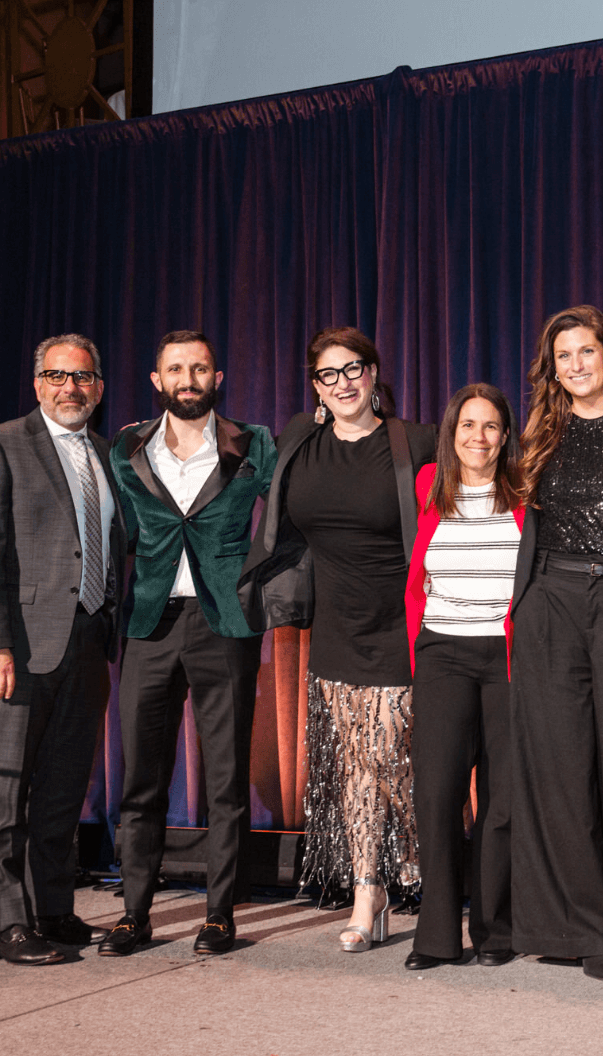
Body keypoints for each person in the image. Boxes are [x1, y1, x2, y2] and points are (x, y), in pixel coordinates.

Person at [237, 326, 435, 952]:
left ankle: (430, 869)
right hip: (336, 628)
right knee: (355, 765)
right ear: (315, 386)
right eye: (329, 374)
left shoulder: (416, 442)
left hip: (404, 622)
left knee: (396, 760)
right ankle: (368, 891)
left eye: (355, 368)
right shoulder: (300, 440)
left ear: (375, 375)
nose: (344, 382)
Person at [0, 334, 124, 964]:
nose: (69, 388)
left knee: (61, 788)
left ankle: (53, 907)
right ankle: (9, 923)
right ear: (36, 382)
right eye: (56, 375)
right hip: (13, 650)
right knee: (4, 786)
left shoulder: (106, 454)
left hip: (85, 642)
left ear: (98, 387)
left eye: (82, 378)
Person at [99, 331, 276, 957]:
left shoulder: (253, 443)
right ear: (157, 379)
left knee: (226, 780)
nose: (188, 378)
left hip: (223, 622)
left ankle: (220, 914)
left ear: (217, 377)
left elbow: (284, 521)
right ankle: (134, 914)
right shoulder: (125, 446)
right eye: (176, 368)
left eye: (199, 368)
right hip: (149, 623)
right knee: (140, 779)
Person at [510, 304, 603, 982]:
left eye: (586, 352)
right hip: (552, 600)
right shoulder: (543, 432)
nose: (576, 365)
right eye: (563, 355)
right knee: (562, 770)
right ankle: (583, 928)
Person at [402, 384, 528, 971]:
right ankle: (435, 936)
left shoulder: (525, 491)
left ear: (506, 436)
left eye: (491, 427)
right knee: (438, 794)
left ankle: (496, 930)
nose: (478, 438)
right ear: (450, 434)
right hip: (443, 654)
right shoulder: (429, 483)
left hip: (505, 657)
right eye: (467, 426)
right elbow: (413, 577)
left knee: (503, 798)